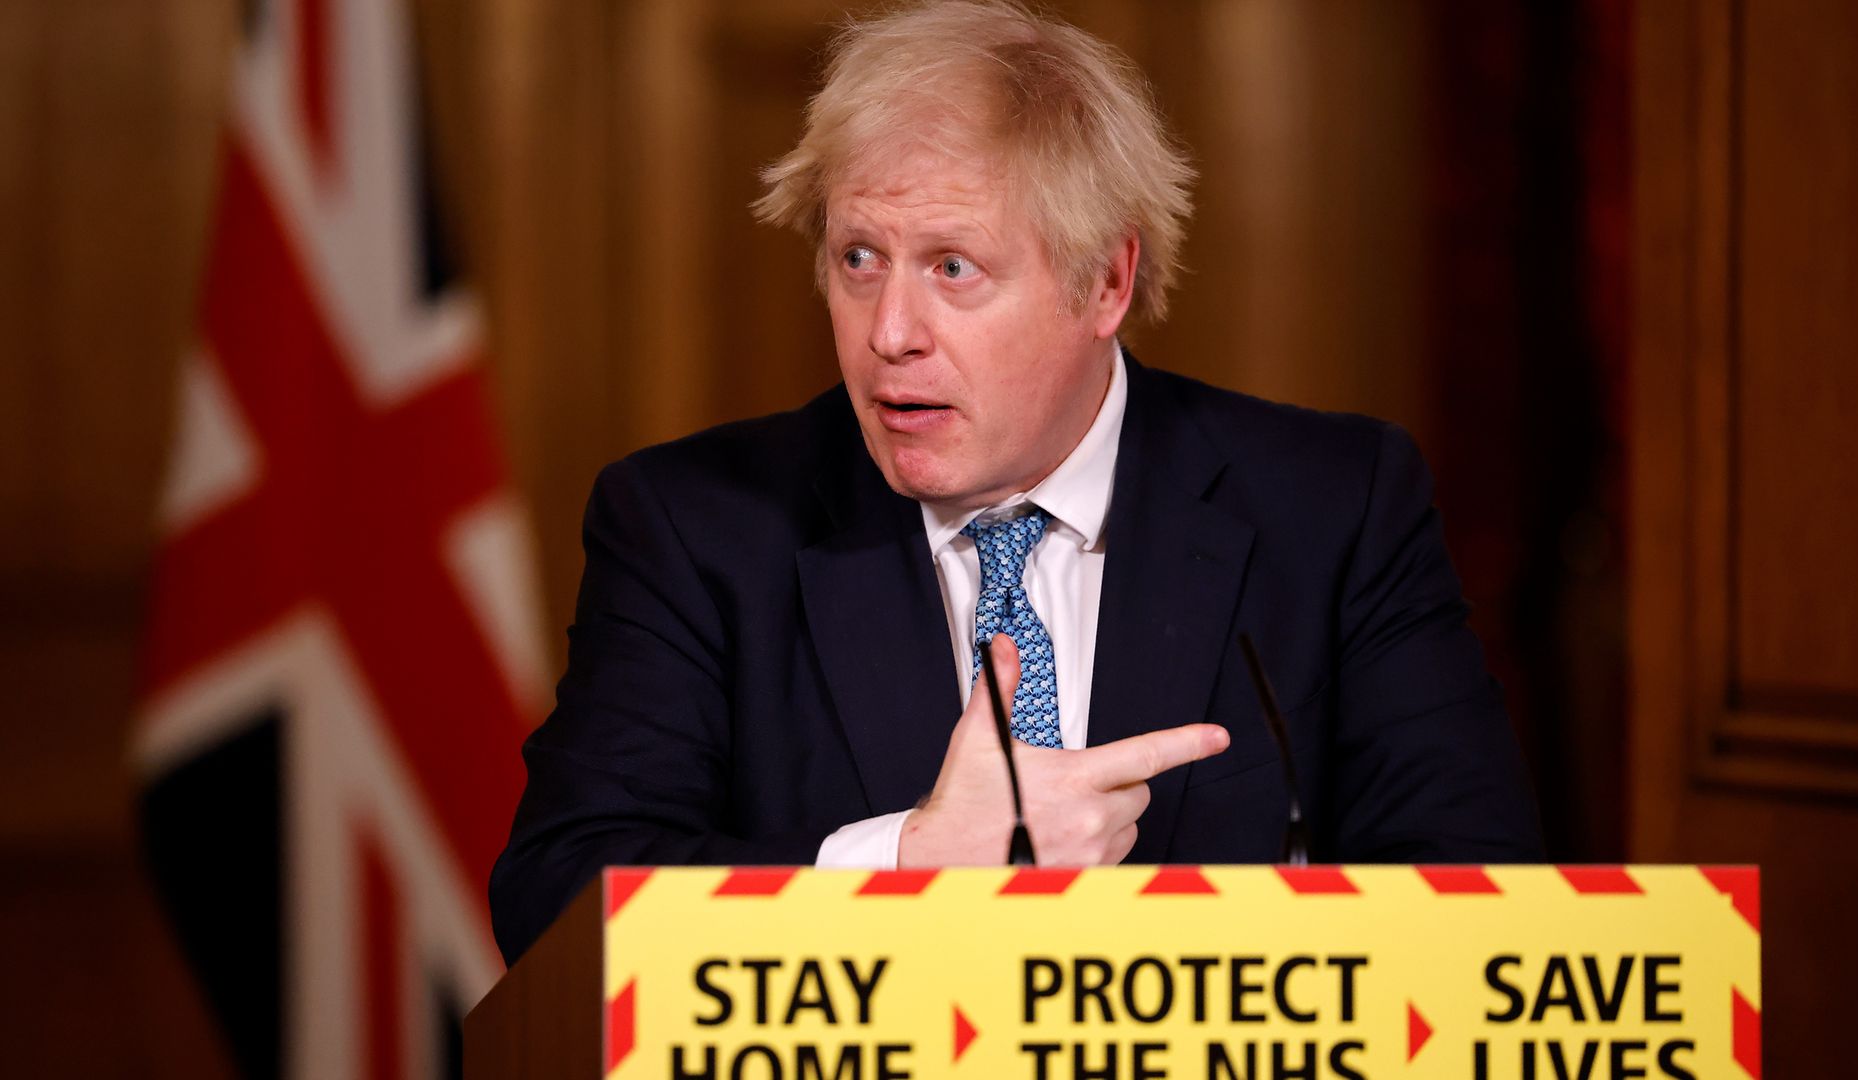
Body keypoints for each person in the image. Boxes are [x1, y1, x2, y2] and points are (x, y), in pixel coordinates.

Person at [490, 0, 1541, 965]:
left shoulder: (1332, 509)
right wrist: (900, 865)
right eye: (860, 259)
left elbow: (1475, 902)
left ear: (1107, 282)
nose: (890, 335)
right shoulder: (694, 528)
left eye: (953, 267)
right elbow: (554, 906)